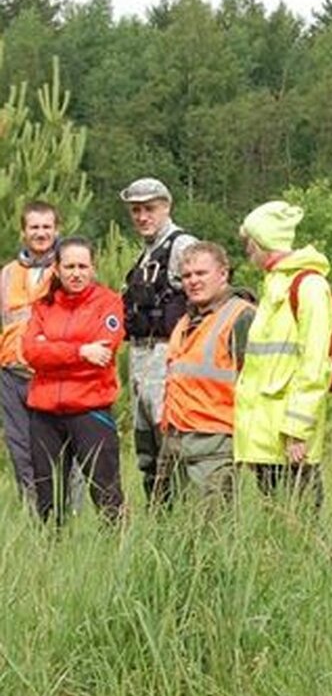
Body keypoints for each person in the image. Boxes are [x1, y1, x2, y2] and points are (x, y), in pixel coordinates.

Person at [234, 201, 332, 508]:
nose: (246, 247)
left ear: (264, 238)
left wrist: (297, 430)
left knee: (302, 527)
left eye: (249, 240)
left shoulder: (310, 287)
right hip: (267, 438)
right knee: (278, 528)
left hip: (290, 440)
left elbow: (315, 366)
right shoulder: (274, 285)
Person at [22, 237, 125, 524]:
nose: (76, 273)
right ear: (57, 268)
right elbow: (30, 351)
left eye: (82, 266)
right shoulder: (43, 306)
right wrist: (80, 350)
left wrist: (51, 348)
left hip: (90, 409)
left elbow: (103, 352)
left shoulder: (109, 302)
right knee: (48, 496)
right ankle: (52, 555)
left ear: (93, 268)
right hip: (44, 414)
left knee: (106, 493)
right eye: (69, 266)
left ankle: (117, 554)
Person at [156, 242, 255, 502]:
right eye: (187, 276)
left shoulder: (241, 316)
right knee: (172, 528)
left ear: (223, 274)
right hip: (177, 439)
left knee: (213, 528)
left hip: (215, 442)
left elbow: (255, 383)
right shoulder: (186, 320)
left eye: (201, 274)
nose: (193, 281)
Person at [120, 177, 197, 503]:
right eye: (136, 210)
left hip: (168, 358)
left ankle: (179, 521)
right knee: (148, 451)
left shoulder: (182, 245)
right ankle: (159, 519)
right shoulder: (146, 253)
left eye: (149, 209)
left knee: (171, 448)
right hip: (140, 360)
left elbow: (205, 296)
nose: (142, 217)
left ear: (166, 207)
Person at [1, 202, 61, 502]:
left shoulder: (67, 270)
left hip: (51, 375)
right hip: (11, 374)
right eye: (34, 227)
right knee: (20, 451)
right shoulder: (7, 275)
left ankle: (64, 521)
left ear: (56, 230)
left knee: (58, 453)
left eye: (46, 227)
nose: (41, 233)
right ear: (24, 232)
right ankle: (33, 518)